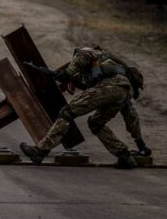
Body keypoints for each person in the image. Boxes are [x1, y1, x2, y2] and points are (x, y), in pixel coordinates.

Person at [20, 46, 149, 169]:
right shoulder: (124, 85)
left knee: (67, 112)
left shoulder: (90, 54)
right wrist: (140, 143)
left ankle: (40, 151)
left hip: (107, 87)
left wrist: (57, 72)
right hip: (115, 93)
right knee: (96, 123)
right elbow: (131, 117)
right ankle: (124, 155)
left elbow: (74, 65)